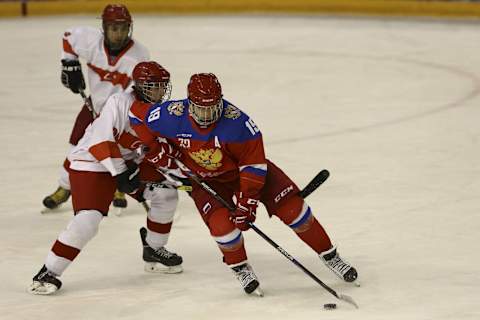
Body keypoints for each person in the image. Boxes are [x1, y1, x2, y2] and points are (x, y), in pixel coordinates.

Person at [132, 73, 359, 296]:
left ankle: (330, 256)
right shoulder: (170, 115)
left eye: (213, 107)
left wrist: (247, 203)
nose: (207, 114)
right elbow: (135, 115)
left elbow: (253, 166)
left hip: (243, 174)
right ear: (190, 104)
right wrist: (155, 147)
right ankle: (240, 267)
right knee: (222, 227)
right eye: (201, 108)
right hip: (206, 180)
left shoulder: (238, 123)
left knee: (294, 210)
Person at [28, 61, 183, 295]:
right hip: (90, 163)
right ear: (140, 86)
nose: (161, 91)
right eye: (154, 86)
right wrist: (121, 173)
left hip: (124, 164)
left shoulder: (158, 112)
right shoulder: (119, 102)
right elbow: (100, 142)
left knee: (166, 193)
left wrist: (180, 173)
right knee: (88, 220)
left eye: (163, 85)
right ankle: (48, 272)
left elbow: (153, 149)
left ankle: (153, 249)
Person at [42, 4, 150, 212]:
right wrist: (69, 65)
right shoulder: (89, 40)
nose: (119, 34)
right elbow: (68, 38)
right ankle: (64, 187)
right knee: (77, 148)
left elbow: (138, 93)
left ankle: (117, 187)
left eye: (123, 28)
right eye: (113, 28)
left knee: (120, 150)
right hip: (94, 105)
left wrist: (116, 117)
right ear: (104, 27)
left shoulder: (138, 56)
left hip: (119, 114)